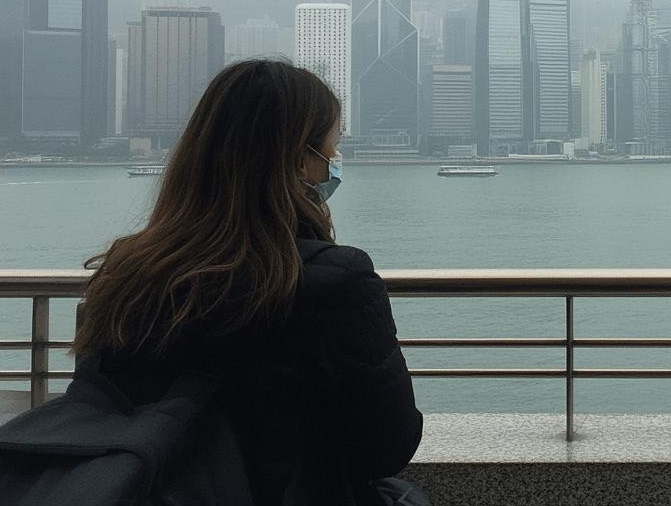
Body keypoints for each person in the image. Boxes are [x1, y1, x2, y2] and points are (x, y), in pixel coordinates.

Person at [74, 59, 423, 505]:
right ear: (299, 159)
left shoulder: (125, 271)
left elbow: (100, 405)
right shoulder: (337, 281)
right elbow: (388, 445)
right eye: (332, 150)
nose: (334, 164)